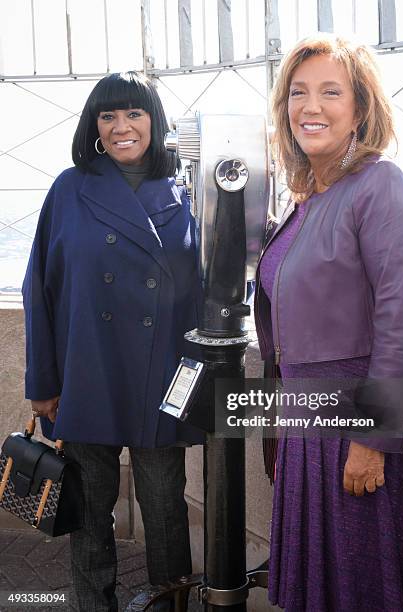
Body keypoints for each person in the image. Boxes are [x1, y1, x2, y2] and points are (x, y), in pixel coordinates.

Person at [254, 36, 403, 611]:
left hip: (361, 418)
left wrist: (372, 440)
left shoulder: (381, 185)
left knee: (365, 587)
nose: (310, 106)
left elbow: (402, 321)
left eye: (330, 91)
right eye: (298, 93)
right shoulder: (311, 195)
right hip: (311, 416)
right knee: (329, 586)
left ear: (361, 108)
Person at [22, 71, 203, 612]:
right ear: (94, 126)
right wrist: (43, 383)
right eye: (109, 116)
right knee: (89, 509)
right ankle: (91, 604)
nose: (122, 127)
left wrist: (201, 379)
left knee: (165, 507)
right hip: (87, 372)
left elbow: (207, 289)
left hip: (163, 378)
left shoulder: (188, 188)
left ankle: (172, 604)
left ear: (156, 122)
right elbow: (40, 289)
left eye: (134, 113)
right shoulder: (68, 187)